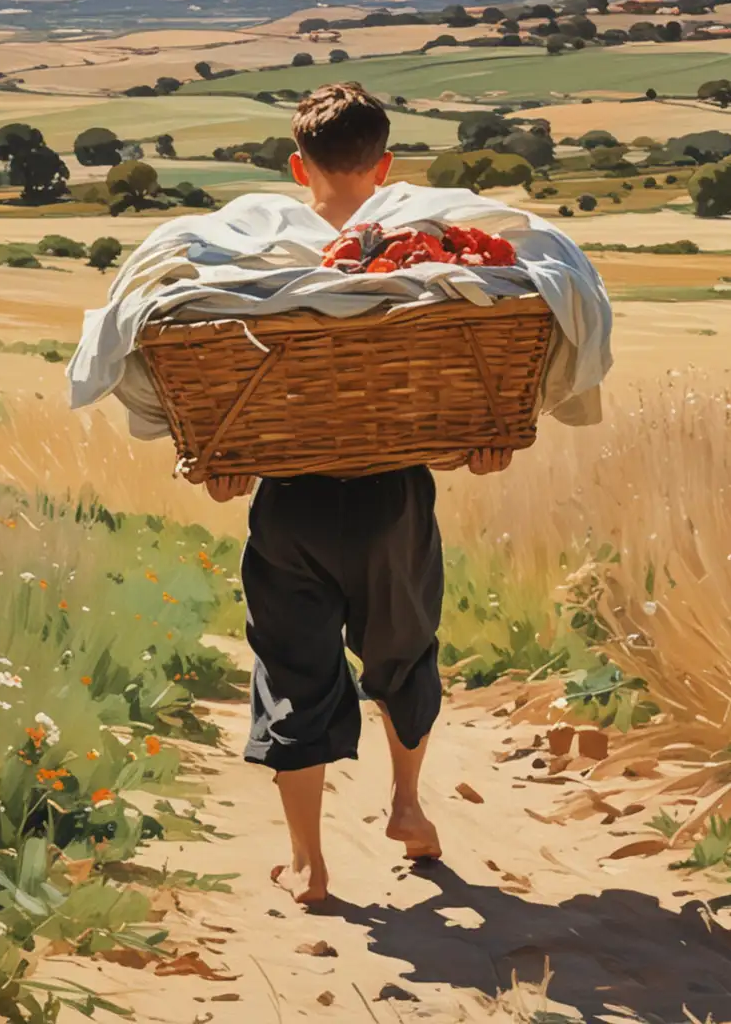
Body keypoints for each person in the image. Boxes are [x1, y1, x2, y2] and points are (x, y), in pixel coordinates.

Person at [203, 82, 512, 906]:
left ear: (296, 165)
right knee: (404, 652)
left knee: (293, 674)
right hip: (392, 499)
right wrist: (481, 440)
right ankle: (407, 806)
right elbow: (455, 388)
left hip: (290, 502)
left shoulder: (257, 255)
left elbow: (212, 377)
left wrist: (217, 459)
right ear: (387, 166)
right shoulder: (424, 251)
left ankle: (307, 863)